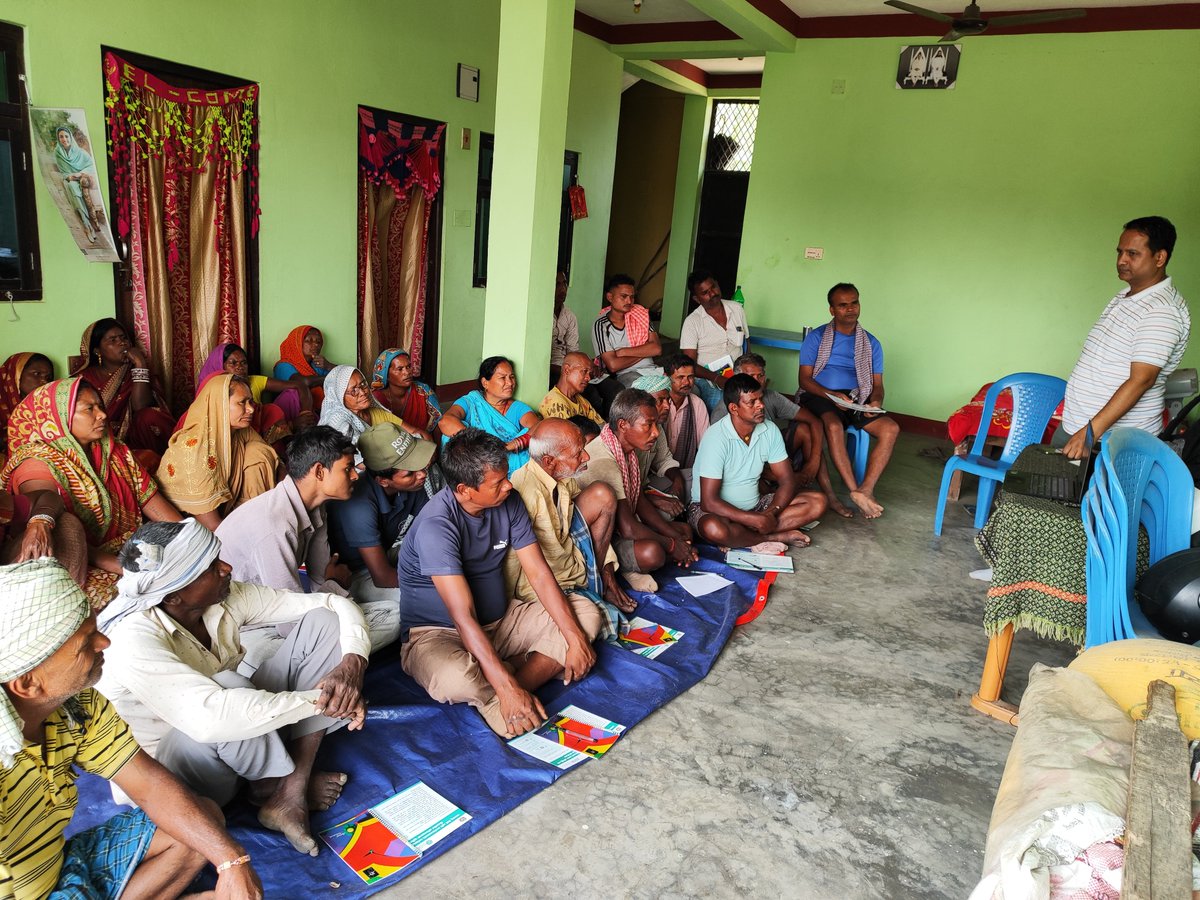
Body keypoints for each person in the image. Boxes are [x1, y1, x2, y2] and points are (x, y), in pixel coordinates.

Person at [96, 520, 370, 858]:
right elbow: (210, 718)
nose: (226, 568)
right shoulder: (132, 638)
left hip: (240, 735)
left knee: (324, 625)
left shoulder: (221, 598)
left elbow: (330, 605)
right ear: (175, 595)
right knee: (228, 688)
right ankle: (268, 788)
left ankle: (289, 789)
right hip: (177, 772)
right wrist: (325, 701)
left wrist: (353, 661)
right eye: (211, 567)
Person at [0, 557, 263, 899]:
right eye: (85, 643)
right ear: (27, 684)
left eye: (94, 628)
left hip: (59, 867)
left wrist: (232, 861)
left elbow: (149, 786)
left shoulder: (79, 709)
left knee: (203, 823)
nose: (104, 643)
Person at [397, 428, 602, 737]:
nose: (509, 485)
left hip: (503, 621)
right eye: (498, 483)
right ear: (465, 489)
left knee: (586, 614)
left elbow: (540, 575)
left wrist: (575, 639)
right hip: (438, 634)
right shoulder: (437, 526)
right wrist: (505, 688)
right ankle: (505, 693)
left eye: (507, 476)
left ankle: (507, 692)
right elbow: (462, 616)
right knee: (455, 679)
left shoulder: (509, 501)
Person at [3, 378, 182, 607]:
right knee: (141, 598)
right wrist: (120, 566)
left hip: (128, 548)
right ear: (59, 418)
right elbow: (61, 533)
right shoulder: (36, 462)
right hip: (75, 562)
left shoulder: (113, 449)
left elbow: (149, 500)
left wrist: (186, 535)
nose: (102, 415)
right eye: (89, 409)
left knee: (183, 569)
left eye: (100, 406)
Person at [214, 427, 398, 642]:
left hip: (287, 613)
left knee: (392, 615)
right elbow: (290, 624)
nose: (355, 475)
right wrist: (335, 584)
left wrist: (332, 587)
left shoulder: (317, 507)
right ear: (319, 471)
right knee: (346, 635)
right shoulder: (275, 527)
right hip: (247, 629)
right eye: (347, 468)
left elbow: (319, 581)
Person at [1057, 216, 1190, 459]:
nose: (1121, 260)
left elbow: (1141, 380)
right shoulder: (1128, 296)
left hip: (1109, 440)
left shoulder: (1161, 310)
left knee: (1089, 497)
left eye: (1132, 253)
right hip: (1082, 426)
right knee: (1053, 493)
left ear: (1159, 258)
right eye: (1119, 252)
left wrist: (1090, 433)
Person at [504, 418, 635, 623]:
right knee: (592, 621)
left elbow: (588, 517)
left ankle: (598, 580)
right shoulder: (527, 493)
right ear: (549, 461)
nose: (586, 456)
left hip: (574, 566)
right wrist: (509, 612)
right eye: (577, 454)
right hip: (546, 584)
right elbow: (512, 560)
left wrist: (607, 568)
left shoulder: (561, 479)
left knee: (603, 493)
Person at [327, 423, 437, 651]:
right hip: (355, 575)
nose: (422, 475)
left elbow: (432, 530)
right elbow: (382, 576)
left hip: (383, 556)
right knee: (418, 602)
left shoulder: (411, 488)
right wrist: (438, 583)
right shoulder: (358, 504)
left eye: (420, 466)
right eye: (410, 473)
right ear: (383, 481)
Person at [576, 389, 697, 593]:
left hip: (623, 526)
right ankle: (625, 569)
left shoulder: (629, 452)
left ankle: (638, 563)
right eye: (648, 425)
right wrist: (673, 546)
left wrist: (675, 538)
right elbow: (628, 529)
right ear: (623, 425)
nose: (656, 432)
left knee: (684, 531)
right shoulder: (605, 459)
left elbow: (639, 501)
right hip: (602, 539)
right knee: (654, 553)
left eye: (656, 424)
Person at [795, 283, 899, 519]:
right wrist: (831, 396)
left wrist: (875, 401)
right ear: (832, 310)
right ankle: (855, 491)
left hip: (856, 396)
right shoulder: (817, 338)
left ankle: (866, 489)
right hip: (819, 394)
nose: (850, 309)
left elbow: (878, 384)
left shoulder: (871, 343)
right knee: (833, 425)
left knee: (891, 428)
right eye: (843, 305)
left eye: (854, 303)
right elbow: (804, 380)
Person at [691, 374, 827, 549]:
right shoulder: (716, 437)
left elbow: (786, 480)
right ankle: (775, 537)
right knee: (714, 528)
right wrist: (753, 519)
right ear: (734, 408)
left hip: (757, 506)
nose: (761, 405)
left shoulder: (769, 430)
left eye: (760, 399)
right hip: (715, 511)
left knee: (817, 502)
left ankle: (743, 535)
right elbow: (709, 502)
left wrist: (770, 513)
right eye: (751, 402)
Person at [715, 353, 849, 517]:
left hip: (773, 458)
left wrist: (813, 462)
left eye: (761, 375)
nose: (757, 381)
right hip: (748, 472)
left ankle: (830, 495)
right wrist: (787, 477)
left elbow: (815, 422)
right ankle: (779, 494)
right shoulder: (725, 410)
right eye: (750, 376)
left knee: (805, 429)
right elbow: (736, 463)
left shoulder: (771, 397)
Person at [157, 374, 280, 531]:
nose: (251, 409)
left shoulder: (238, 431)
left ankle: (258, 519)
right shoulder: (195, 451)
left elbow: (276, 462)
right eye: (242, 402)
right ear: (219, 404)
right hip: (189, 532)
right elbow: (213, 526)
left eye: (250, 402)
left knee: (258, 453)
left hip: (224, 517)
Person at [74, 318, 177, 457]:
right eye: (113, 340)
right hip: (97, 437)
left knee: (149, 416)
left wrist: (140, 364)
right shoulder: (84, 378)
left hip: (134, 438)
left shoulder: (136, 371)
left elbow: (141, 406)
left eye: (123, 338)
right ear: (97, 350)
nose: (122, 343)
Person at [440, 356, 540, 475]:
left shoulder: (518, 408)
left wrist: (513, 444)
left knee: (531, 435)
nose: (510, 383)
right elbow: (445, 422)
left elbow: (539, 427)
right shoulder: (471, 402)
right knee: (451, 436)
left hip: (506, 463)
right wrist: (484, 444)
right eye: (503, 377)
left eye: (512, 377)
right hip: (475, 461)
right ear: (485, 383)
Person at [196, 342, 313, 440]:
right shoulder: (212, 390)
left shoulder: (253, 380)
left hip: (258, 433)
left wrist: (306, 415)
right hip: (230, 434)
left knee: (276, 407)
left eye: (243, 363)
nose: (239, 367)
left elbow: (298, 385)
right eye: (233, 363)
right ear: (220, 366)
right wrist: (292, 425)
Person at [586, 274, 662, 416]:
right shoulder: (601, 325)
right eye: (624, 296)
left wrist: (622, 352)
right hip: (626, 374)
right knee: (651, 397)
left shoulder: (640, 316)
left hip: (652, 370)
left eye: (632, 297)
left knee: (691, 391)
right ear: (610, 297)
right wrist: (645, 351)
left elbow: (656, 348)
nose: (629, 301)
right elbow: (613, 365)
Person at [319, 365, 433, 455]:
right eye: (354, 390)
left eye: (363, 384)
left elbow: (414, 432)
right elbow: (356, 461)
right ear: (339, 396)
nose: (363, 392)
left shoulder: (375, 412)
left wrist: (429, 452)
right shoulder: (339, 423)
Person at [679, 270, 748, 410]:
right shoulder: (692, 322)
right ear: (697, 299)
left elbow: (747, 344)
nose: (712, 294)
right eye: (705, 293)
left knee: (754, 402)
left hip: (738, 374)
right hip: (708, 379)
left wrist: (748, 370)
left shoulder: (737, 309)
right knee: (723, 406)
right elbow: (688, 364)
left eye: (713, 287)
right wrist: (717, 379)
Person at [630, 372, 690, 511]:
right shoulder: (628, 431)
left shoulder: (657, 428)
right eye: (660, 400)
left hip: (644, 486)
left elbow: (664, 460)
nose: (667, 406)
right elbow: (620, 488)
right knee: (664, 513)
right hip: (630, 497)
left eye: (668, 400)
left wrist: (677, 480)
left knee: (694, 477)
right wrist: (655, 500)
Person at [661, 353, 709, 494]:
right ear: (666, 377)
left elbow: (705, 447)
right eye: (680, 377)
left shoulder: (697, 404)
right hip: (657, 473)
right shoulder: (656, 405)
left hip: (686, 471)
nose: (687, 382)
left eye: (690, 377)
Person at [370, 348, 441, 436]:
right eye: (400, 369)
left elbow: (437, 423)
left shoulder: (424, 392)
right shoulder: (376, 398)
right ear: (386, 375)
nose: (407, 372)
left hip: (423, 442)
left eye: (408, 367)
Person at [52, 126, 103, 244]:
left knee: (76, 186)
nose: (64, 139)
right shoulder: (58, 152)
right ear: (58, 139)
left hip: (81, 177)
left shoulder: (80, 152)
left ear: (70, 137)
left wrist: (80, 173)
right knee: (72, 186)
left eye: (66, 136)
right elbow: (63, 171)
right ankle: (86, 224)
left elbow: (91, 165)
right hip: (70, 180)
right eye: (61, 137)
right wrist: (68, 176)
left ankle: (88, 225)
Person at [0, 352, 53, 463]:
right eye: (36, 374)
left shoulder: (49, 405)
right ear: (16, 374)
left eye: (48, 377)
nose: (44, 381)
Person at [273, 325, 334, 408]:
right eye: (309, 340)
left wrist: (328, 366)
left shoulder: (316, 364)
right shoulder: (283, 365)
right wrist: (332, 378)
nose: (316, 344)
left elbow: (346, 376)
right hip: (290, 414)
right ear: (296, 343)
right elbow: (304, 382)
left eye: (319, 341)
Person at [540, 351, 604, 426]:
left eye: (589, 373)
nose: (588, 378)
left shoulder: (581, 401)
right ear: (567, 370)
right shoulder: (555, 403)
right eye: (584, 371)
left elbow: (602, 425)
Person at [550, 271, 580, 386]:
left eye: (564, 283)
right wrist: (563, 369)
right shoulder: (540, 316)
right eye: (557, 284)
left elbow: (573, 350)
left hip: (567, 367)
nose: (563, 289)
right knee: (590, 394)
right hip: (549, 370)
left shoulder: (569, 316)